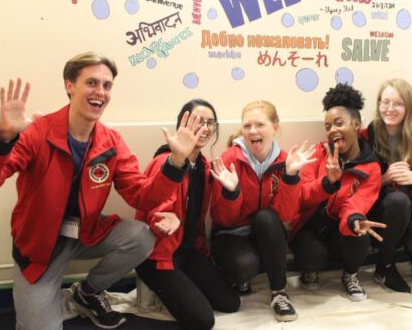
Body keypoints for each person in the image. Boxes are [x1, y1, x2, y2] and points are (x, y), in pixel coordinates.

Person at [0, 52, 201, 330]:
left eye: (107, 85)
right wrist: (3, 139)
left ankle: (86, 293)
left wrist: (176, 163)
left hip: (85, 234)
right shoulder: (37, 132)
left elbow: (142, 196)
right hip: (39, 245)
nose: (100, 92)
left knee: (141, 237)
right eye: (91, 82)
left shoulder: (111, 141)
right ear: (69, 85)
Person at [134, 99, 240, 329]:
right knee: (202, 320)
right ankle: (157, 284)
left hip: (187, 250)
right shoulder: (164, 162)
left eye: (210, 123)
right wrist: (167, 218)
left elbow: (221, 216)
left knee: (230, 303)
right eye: (198, 121)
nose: (205, 127)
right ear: (183, 124)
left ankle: (181, 283)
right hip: (158, 256)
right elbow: (154, 207)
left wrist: (233, 192)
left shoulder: (205, 166)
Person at [209, 100, 316, 322]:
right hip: (231, 234)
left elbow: (284, 216)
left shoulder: (286, 160)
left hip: (263, 232)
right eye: (247, 126)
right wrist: (232, 192)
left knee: (266, 216)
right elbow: (222, 219)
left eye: (260, 124)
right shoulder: (230, 158)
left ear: (275, 127)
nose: (253, 131)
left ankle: (279, 293)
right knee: (245, 266)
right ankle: (241, 274)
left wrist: (290, 177)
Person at [289, 83, 385, 302]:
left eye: (338, 123)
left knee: (361, 231)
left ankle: (350, 275)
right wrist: (327, 183)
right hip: (310, 226)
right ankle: (311, 268)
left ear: (356, 125)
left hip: (339, 228)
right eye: (327, 126)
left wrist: (354, 221)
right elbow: (302, 197)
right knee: (313, 258)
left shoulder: (371, 167)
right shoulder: (317, 153)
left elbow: (357, 204)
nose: (332, 130)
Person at [360, 78, 412, 293]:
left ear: (409, 107)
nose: (390, 109)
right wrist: (382, 180)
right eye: (384, 102)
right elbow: (353, 190)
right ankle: (384, 267)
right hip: (381, 213)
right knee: (398, 200)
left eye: (398, 103)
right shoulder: (365, 138)